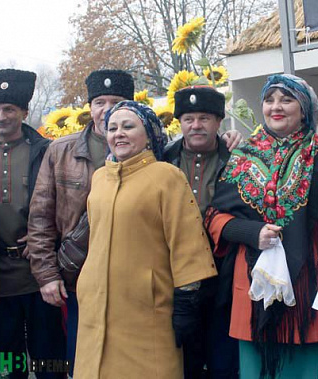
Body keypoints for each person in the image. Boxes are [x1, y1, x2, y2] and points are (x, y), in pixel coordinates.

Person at [205, 74, 318, 378]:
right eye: (269, 99)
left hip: (309, 293)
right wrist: (251, 232)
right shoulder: (241, 158)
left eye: (286, 99)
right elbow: (213, 218)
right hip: (253, 292)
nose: (277, 107)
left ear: (304, 108)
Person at [73, 101, 218, 378]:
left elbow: (187, 245)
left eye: (128, 126)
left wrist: (187, 303)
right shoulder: (100, 178)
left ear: (149, 134)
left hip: (146, 312)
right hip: (95, 308)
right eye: (112, 128)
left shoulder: (167, 177)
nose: (119, 134)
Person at [28, 69, 135, 376]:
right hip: (80, 279)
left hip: (133, 280)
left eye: (116, 101)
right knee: (83, 362)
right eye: (100, 101)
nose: (106, 109)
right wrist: (47, 274)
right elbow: (40, 218)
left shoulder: (149, 145)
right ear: (90, 107)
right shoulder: (60, 150)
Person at [0, 69, 65, 379]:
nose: (1, 116)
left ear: (24, 111)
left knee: (49, 358)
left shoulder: (47, 151)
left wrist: (43, 239)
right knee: (8, 364)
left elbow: (64, 205)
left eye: (9, 109)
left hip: (39, 275)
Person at [164, 85, 239, 379]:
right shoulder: (162, 158)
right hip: (177, 276)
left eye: (204, 118)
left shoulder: (236, 158)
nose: (196, 125)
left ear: (219, 122)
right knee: (185, 361)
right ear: (179, 122)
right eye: (189, 118)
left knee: (223, 362)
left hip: (224, 272)